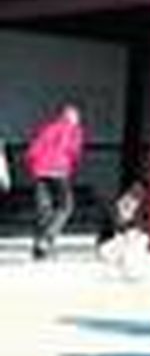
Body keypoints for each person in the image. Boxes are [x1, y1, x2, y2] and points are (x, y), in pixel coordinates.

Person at [26, 105, 84, 261]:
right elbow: (74, 152)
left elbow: (32, 150)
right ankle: (46, 239)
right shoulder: (74, 131)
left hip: (40, 172)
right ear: (73, 118)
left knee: (44, 209)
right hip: (59, 171)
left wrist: (34, 168)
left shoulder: (48, 128)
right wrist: (71, 167)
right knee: (66, 206)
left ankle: (38, 247)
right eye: (77, 118)